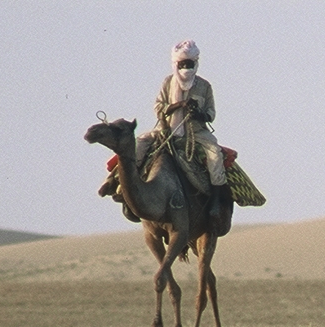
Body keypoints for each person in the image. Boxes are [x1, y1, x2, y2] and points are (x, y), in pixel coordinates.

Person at [99, 40, 233, 232]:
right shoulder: (167, 83)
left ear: (195, 63)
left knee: (215, 156)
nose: (186, 68)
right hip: (166, 130)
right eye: (182, 64)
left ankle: (215, 201)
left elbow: (211, 113)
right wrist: (176, 106)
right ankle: (115, 184)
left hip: (197, 133)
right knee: (139, 146)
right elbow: (158, 107)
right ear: (176, 64)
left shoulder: (204, 86)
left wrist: (198, 113)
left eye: (189, 64)